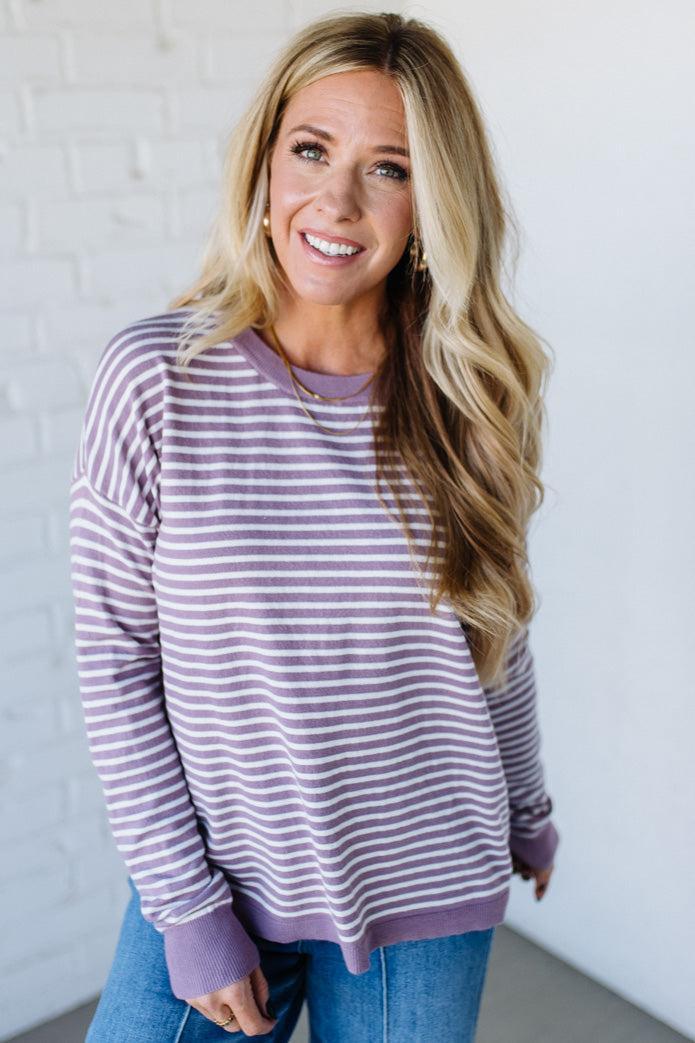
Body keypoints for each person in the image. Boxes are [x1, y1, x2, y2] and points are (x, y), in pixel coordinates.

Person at [68, 10, 560, 1042]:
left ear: (434, 203)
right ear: (265, 162)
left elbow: (494, 636)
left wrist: (526, 806)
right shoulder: (158, 379)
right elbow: (117, 662)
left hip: (425, 879)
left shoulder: (466, 396)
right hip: (218, 881)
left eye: (389, 167)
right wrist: (187, 909)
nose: (335, 200)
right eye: (311, 150)